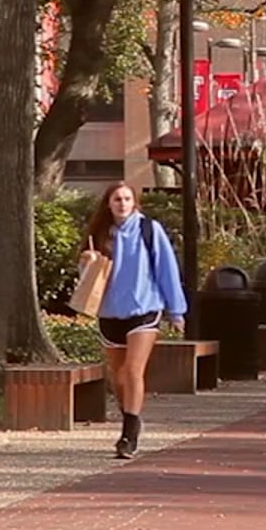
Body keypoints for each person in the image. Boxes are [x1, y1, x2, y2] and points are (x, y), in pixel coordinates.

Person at [83, 182, 186, 459]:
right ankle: (132, 415)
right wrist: (87, 261)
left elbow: (167, 269)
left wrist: (176, 310)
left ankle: (128, 435)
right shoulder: (101, 233)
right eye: (117, 199)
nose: (122, 203)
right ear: (109, 203)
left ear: (135, 203)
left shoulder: (148, 230)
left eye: (127, 199)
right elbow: (86, 272)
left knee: (132, 370)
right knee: (118, 378)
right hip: (110, 311)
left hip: (145, 308)